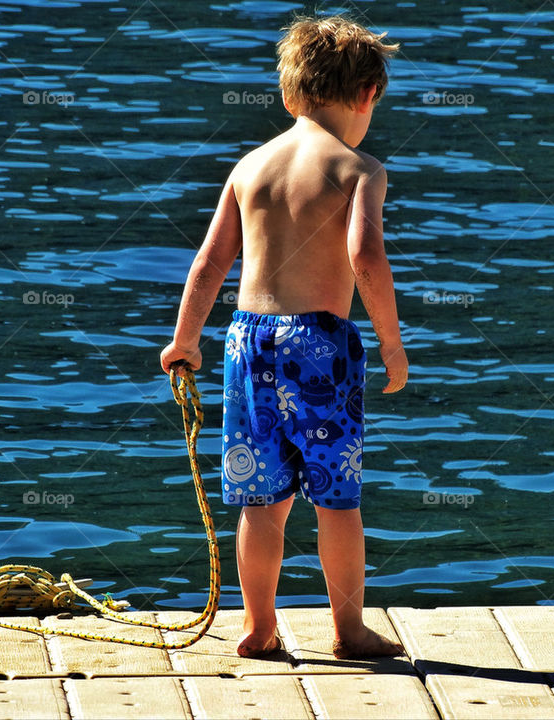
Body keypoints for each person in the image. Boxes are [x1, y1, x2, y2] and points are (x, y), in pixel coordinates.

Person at [160, 14, 407, 659]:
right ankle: (348, 629)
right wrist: (390, 342)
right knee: (336, 498)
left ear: (290, 95)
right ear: (366, 96)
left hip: (247, 343)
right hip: (321, 346)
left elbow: (210, 263)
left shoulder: (251, 167)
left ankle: (259, 626)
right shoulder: (359, 170)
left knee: (260, 499)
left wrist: (186, 340)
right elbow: (366, 258)